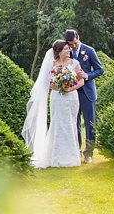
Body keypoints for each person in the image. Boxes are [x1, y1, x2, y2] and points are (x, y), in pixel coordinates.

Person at [21, 40, 87, 168]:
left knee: (70, 123)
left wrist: (69, 88)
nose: (69, 51)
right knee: (57, 124)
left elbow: (81, 82)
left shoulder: (75, 63)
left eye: (69, 49)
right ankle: (55, 156)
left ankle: (72, 156)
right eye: (66, 49)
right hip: (57, 98)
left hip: (72, 98)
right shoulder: (52, 65)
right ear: (59, 52)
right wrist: (60, 87)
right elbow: (49, 84)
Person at [64, 29, 103, 163]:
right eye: (71, 44)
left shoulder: (89, 51)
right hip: (73, 92)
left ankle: (89, 152)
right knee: (74, 122)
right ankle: (77, 149)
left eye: (75, 43)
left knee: (89, 122)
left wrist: (87, 75)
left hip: (87, 91)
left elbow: (100, 70)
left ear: (78, 38)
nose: (73, 46)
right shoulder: (66, 52)